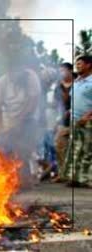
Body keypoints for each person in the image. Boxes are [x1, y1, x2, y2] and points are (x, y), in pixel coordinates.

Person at [0, 62, 43, 188]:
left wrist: (20, 122)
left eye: (20, 71)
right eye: (13, 71)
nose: (17, 74)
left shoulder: (31, 77)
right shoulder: (0, 83)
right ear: (8, 72)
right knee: (2, 149)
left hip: (29, 119)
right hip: (8, 120)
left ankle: (25, 181)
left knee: (23, 150)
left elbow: (33, 102)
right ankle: (6, 181)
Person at [63, 55, 92, 187]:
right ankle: (74, 178)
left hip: (88, 120)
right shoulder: (77, 81)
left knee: (87, 150)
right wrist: (69, 111)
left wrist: (87, 116)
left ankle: (86, 179)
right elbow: (74, 99)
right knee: (74, 149)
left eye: (80, 64)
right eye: (76, 64)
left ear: (88, 65)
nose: (77, 66)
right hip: (75, 119)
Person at [52, 63, 75, 182]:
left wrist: (71, 110)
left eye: (63, 70)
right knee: (59, 146)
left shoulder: (79, 83)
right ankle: (62, 173)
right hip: (63, 122)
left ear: (70, 71)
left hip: (79, 120)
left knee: (78, 149)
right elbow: (56, 105)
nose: (61, 73)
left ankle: (76, 176)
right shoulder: (58, 87)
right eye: (59, 71)